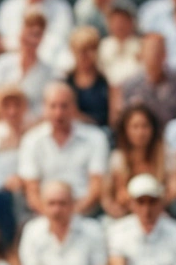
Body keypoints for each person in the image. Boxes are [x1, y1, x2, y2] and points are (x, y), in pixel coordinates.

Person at [19, 82, 109, 215]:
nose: (58, 113)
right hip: (45, 212)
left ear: (74, 107)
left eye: (64, 106)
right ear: (44, 108)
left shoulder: (95, 138)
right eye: (53, 106)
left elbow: (96, 187)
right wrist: (54, 216)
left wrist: (71, 216)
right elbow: (32, 191)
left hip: (85, 212)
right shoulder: (31, 141)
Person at [18, 180, 108, 265]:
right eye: (51, 203)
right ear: (42, 205)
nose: (57, 209)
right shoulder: (32, 231)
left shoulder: (92, 230)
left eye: (62, 203)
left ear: (73, 204)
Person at [103, 104, 176, 217]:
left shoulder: (168, 156)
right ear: (126, 130)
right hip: (127, 215)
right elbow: (118, 195)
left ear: (153, 128)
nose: (140, 132)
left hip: (161, 214)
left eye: (145, 126)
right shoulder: (118, 159)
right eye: (135, 127)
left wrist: (151, 204)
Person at [0, 0, 74, 67]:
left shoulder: (61, 6)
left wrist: (36, 49)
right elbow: (4, 38)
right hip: (15, 55)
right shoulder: (8, 5)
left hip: (51, 55)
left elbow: (61, 36)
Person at [0, 10, 55, 116]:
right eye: (28, 33)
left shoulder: (49, 73)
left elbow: (46, 110)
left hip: (32, 126)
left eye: (37, 34)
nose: (31, 40)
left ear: (42, 38)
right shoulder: (1, 64)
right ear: (21, 33)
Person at [116, 33, 176, 124]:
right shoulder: (130, 86)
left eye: (158, 50)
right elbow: (126, 120)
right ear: (141, 54)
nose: (154, 54)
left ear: (165, 54)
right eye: (149, 50)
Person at [66, 27, 113, 128]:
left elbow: (112, 120)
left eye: (89, 50)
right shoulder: (66, 82)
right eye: (80, 50)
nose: (84, 55)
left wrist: (81, 117)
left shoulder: (106, 82)